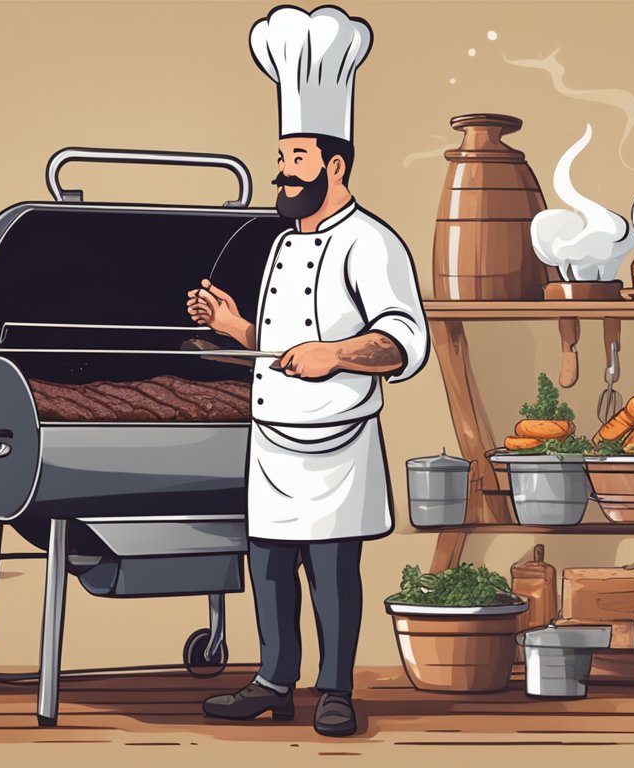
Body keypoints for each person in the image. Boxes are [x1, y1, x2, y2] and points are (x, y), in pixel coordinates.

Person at [189, 6, 429, 737]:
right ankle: (272, 679)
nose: (282, 171)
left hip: (336, 438)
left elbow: (403, 342)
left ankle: (335, 690)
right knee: (267, 564)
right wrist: (234, 328)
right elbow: (284, 340)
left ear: (335, 164)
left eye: (296, 158)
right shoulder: (283, 243)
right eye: (282, 157)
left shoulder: (372, 242)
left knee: (330, 570)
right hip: (273, 437)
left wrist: (336, 354)